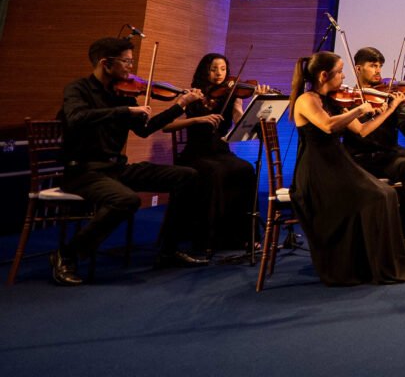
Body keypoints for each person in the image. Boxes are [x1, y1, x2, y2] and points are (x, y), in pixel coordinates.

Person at [53, 37, 206, 286]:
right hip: (83, 171)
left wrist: (180, 105)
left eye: (131, 62)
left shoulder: (122, 93)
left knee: (188, 175)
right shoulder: (78, 89)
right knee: (127, 199)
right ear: (106, 63)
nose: (130, 69)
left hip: (116, 169)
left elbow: (145, 129)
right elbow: (76, 118)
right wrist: (125, 111)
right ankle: (67, 254)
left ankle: (168, 250)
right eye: (126, 62)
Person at [289, 51, 405, 286]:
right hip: (317, 170)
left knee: (387, 193)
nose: (344, 76)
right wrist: (359, 109)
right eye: (340, 71)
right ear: (324, 75)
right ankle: (364, 263)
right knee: (375, 197)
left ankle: (379, 261)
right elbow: (327, 126)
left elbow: (363, 130)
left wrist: (391, 107)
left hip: (336, 164)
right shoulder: (306, 100)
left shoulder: (333, 100)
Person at [162, 53, 260, 254]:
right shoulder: (192, 94)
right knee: (215, 172)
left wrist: (251, 104)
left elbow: (239, 120)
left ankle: (243, 236)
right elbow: (167, 126)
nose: (219, 74)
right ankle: (208, 238)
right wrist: (196, 120)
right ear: (205, 70)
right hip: (196, 153)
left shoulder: (233, 95)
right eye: (214, 69)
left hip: (221, 152)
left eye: (223, 69)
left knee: (246, 169)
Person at [343, 46, 405, 253]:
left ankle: (404, 235)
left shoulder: (390, 96)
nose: (378, 71)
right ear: (358, 68)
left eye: (380, 66)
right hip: (357, 159)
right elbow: (360, 131)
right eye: (373, 66)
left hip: (386, 158)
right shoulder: (346, 98)